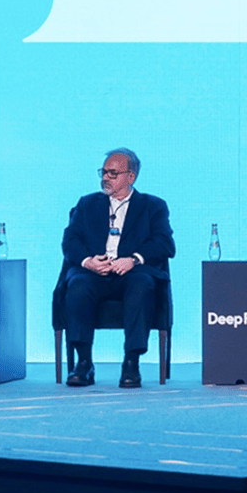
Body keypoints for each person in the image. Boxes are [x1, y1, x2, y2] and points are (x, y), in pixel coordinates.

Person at [61, 148, 175, 389]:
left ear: (130, 177)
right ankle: (84, 364)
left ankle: (131, 363)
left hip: (131, 272)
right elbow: (70, 241)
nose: (106, 178)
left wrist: (134, 259)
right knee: (77, 285)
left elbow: (165, 243)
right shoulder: (87, 204)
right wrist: (88, 261)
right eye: (103, 172)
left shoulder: (152, 206)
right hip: (94, 273)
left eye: (113, 173)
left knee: (142, 284)